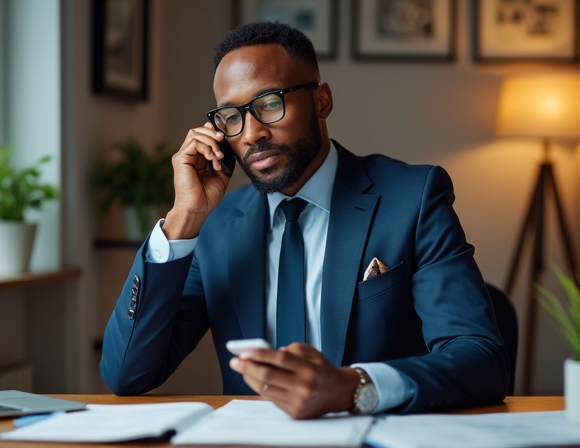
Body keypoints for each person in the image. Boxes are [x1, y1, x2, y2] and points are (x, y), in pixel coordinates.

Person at [100, 22, 509, 419]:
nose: (251, 133)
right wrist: (182, 220)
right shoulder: (216, 228)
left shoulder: (412, 198)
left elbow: (480, 357)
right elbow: (128, 375)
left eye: (270, 104)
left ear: (321, 101)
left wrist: (354, 387)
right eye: (231, 116)